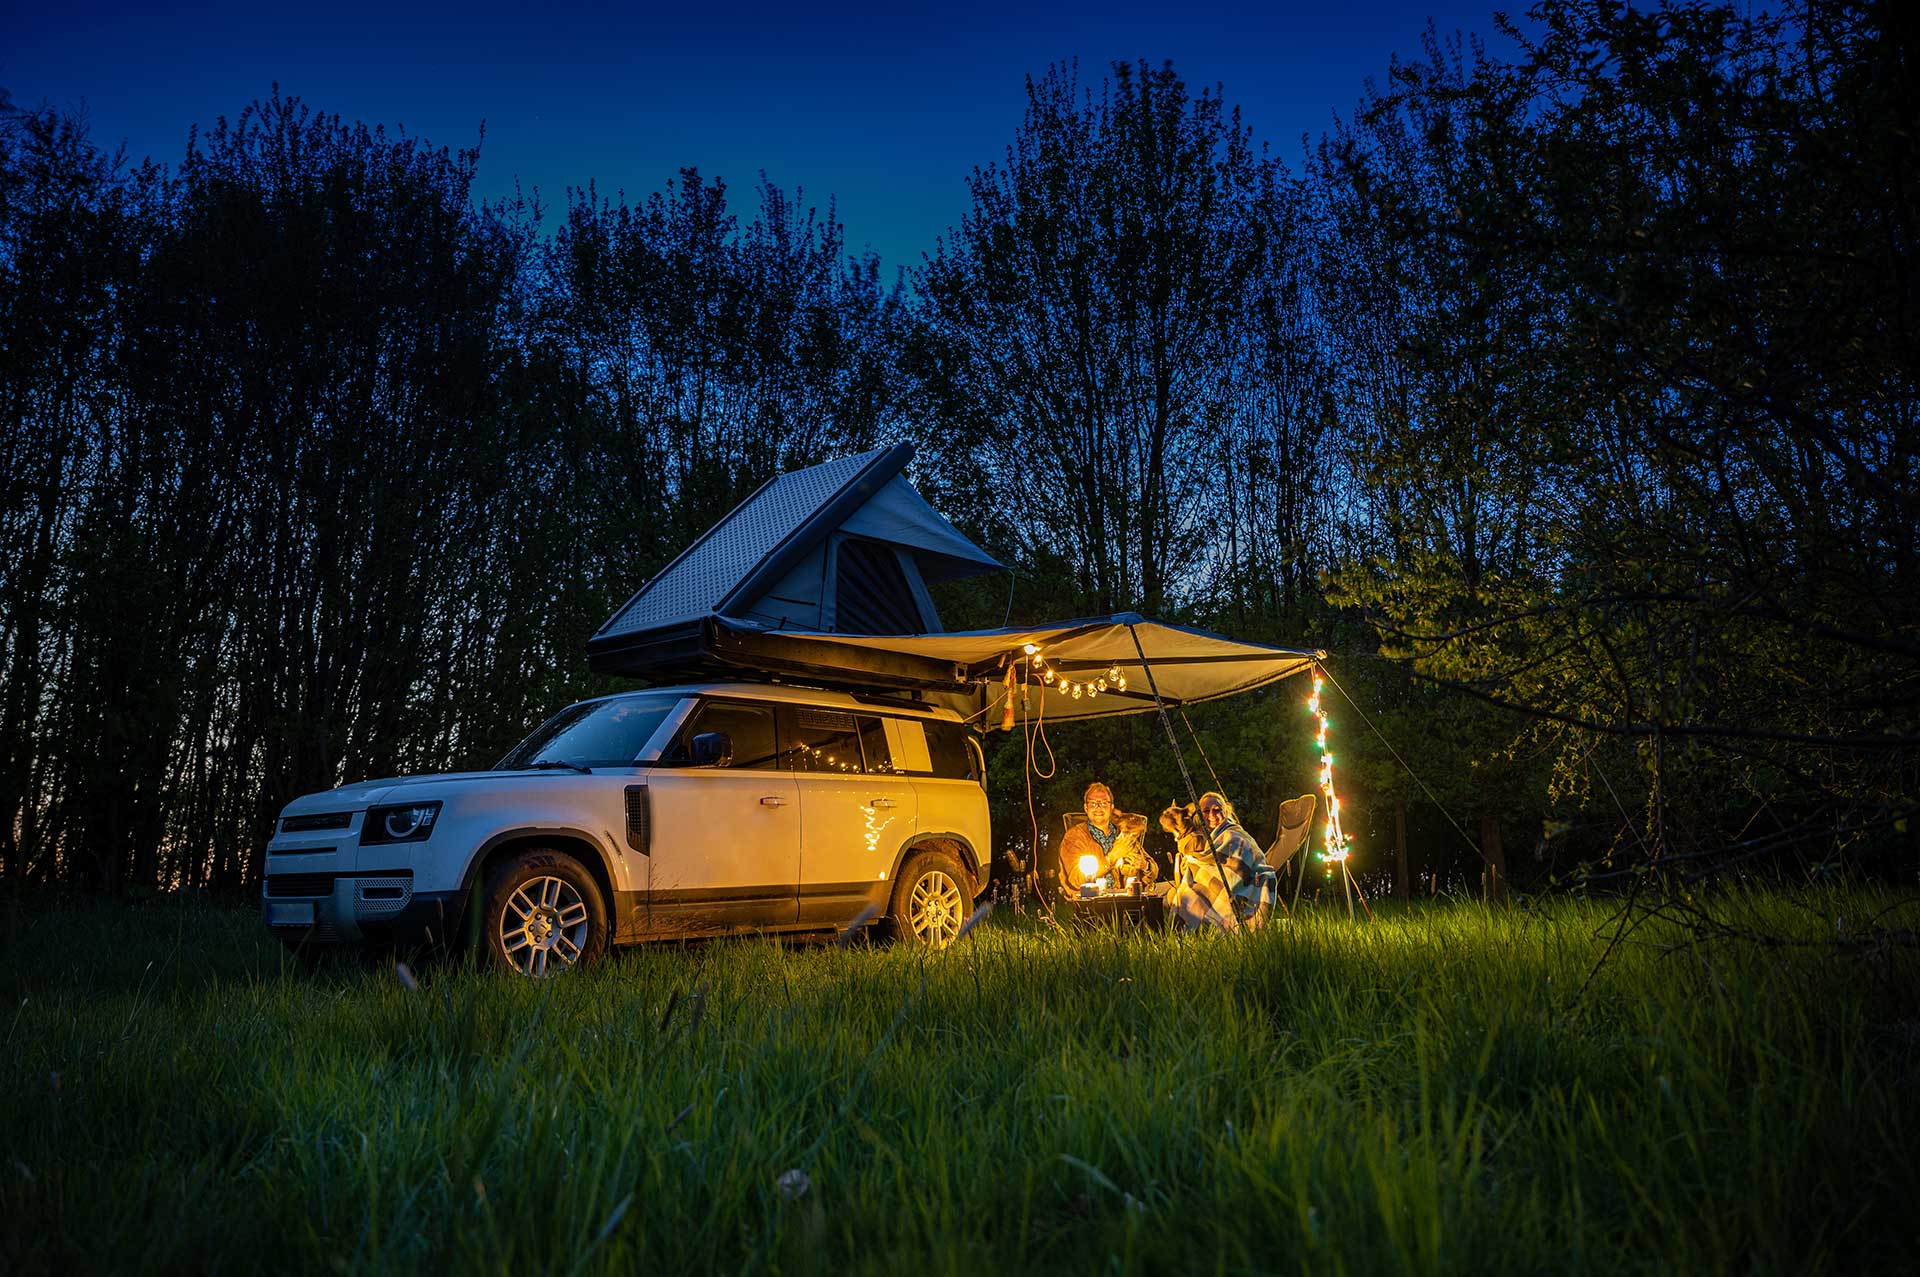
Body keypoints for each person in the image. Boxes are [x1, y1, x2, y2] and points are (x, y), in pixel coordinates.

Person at [1167, 791, 1278, 931]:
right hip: (1213, 884)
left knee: (1188, 896)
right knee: (1184, 896)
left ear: (1225, 812)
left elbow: (1238, 860)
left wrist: (1193, 861)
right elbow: (1204, 860)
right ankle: (1198, 937)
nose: (1211, 815)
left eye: (1217, 810)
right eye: (1206, 811)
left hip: (1240, 884)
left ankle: (1220, 929)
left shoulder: (1233, 833)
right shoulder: (1201, 837)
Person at [1058, 782, 1153, 892]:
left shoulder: (1122, 834)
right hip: (1092, 899)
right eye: (1093, 803)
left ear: (1111, 807)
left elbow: (1152, 869)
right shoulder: (1074, 836)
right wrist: (1112, 857)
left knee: (1173, 891)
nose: (1098, 808)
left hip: (1125, 895)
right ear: (1085, 808)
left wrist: (1145, 865)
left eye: (1103, 803)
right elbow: (1075, 880)